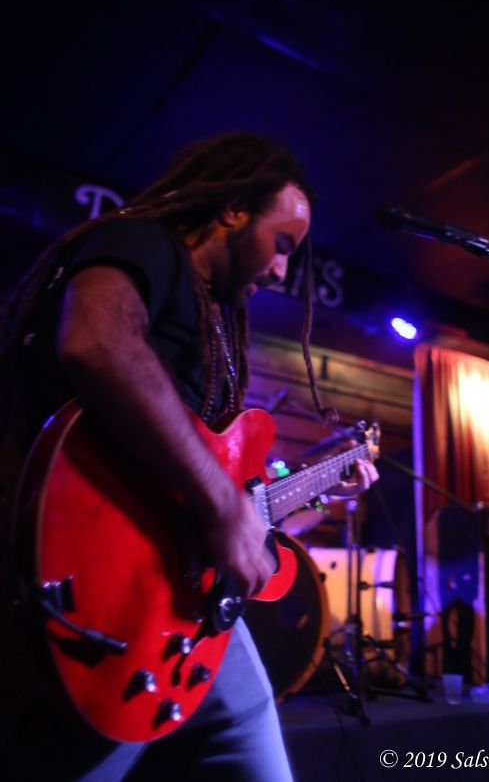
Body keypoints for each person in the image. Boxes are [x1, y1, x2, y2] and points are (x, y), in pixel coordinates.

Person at [0, 131, 378, 781]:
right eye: (282, 244)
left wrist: (309, 490)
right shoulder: (144, 241)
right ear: (232, 208)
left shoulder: (215, 320)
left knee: (247, 727)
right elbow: (96, 341)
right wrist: (223, 507)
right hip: (98, 585)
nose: (281, 271)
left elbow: (222, 497)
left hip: (177, 598)